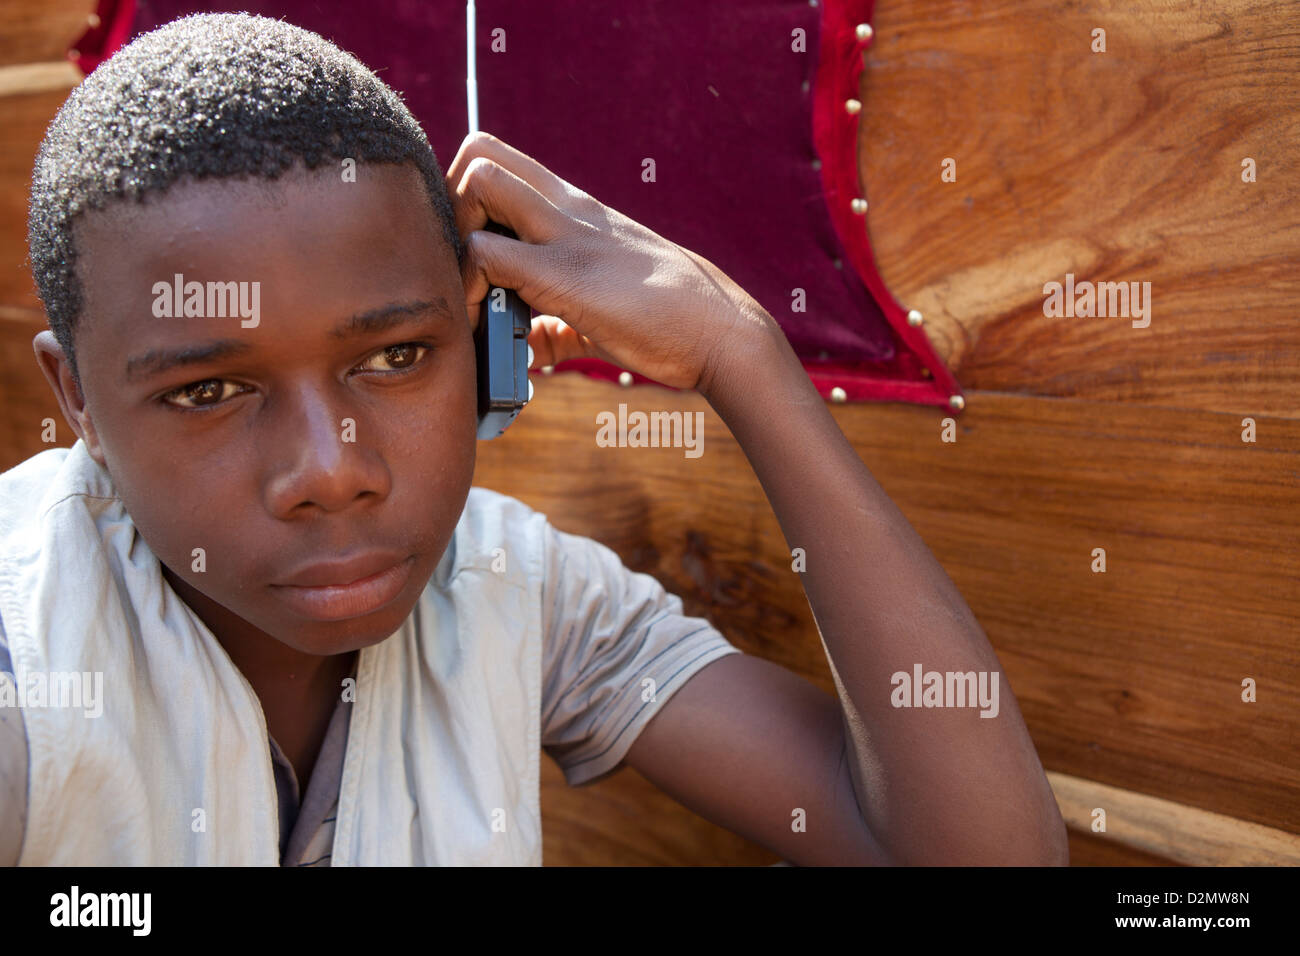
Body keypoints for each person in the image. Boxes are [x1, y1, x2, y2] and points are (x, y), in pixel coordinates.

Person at [0, 12, 1068, 865]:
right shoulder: (29, 662)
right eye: (212, 388)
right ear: (79, 397)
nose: (331, 469)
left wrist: (740, 354)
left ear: (479, 334)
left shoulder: (511, 586)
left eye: (395, 358)